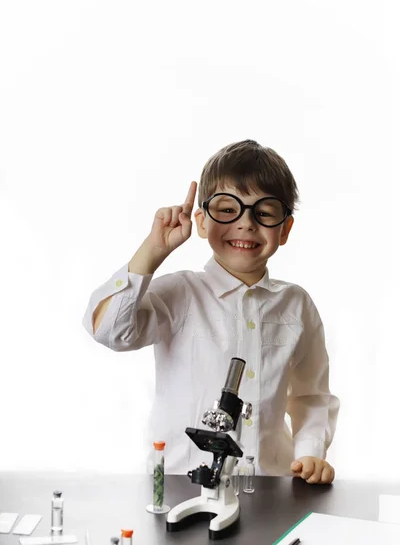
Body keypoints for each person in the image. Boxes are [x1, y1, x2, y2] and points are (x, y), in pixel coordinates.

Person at [82, 139, 339, 484]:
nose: (246, 223)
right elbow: (109, 330)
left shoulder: (297, 305)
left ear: (285, 228)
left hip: (265, 486)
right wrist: (152, 252)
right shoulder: (180, 293)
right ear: (202, 222)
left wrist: (309, 451)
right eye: (228, 209)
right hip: (179, 485)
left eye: (263, 212)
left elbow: (311, 396)